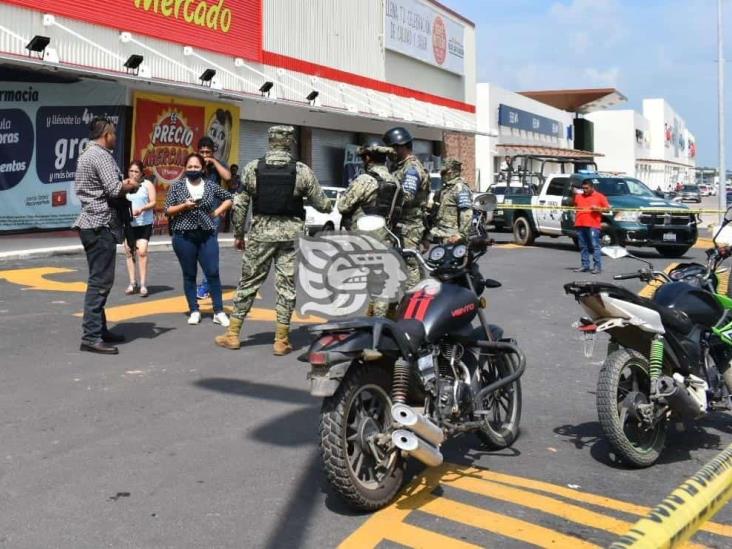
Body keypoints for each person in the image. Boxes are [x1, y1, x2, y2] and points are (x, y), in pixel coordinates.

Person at [215, 125, 331, 354]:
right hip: (291, 236)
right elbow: (323, 204)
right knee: (286, 285)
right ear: (289, 142)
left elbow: (239, 206)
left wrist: (238, 234)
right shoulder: (301, 171)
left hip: (260, 235)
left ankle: (233, 334)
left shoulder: (252, 168)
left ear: (270, 141)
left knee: (249, 282)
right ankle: (281, 340)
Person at [73, 117, 140, 355]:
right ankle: (91, 336)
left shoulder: (86, 154)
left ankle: (99, 330)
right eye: (113, 133)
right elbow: (113, 188)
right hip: (100, 224)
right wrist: (130, 185)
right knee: (100, 282)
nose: (115, 137)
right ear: (106, 134)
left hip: (91, 222)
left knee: (97, 278)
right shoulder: (100, 155)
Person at [165, 152, 233, 325]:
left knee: (213, 272)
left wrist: (216, 212)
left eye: (196, 167)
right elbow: (168, 210)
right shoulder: (177, 186)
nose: (193, 169)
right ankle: (194, 310)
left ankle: (218, 311)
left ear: (202, 169)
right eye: (190, 167)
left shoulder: (210, 185)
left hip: (207, 235)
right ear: (185, 169)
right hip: (184, 236)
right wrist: (184, 206)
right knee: (189, 274)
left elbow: (229, 198)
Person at [338, 141, 402, 317]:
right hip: (387, 236)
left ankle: (378, 328)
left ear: (368, 158)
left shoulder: (365, 180)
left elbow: (343, 206)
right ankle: (388, 318)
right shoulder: (395, 181)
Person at [383, 126, 431, 289]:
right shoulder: (398, 166)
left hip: (409, 226)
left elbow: (407, 195)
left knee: (410, 265)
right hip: (399, 225)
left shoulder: (411, 168)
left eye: (393, 148)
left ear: (401, 146)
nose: (391, 152)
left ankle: (415, 303)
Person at [196, 136, 231, 299]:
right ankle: (209, 282)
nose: (204, 155)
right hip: (195, 214)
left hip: (213, 214)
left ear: (213, 152)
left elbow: (228, 177)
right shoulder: (196, 164)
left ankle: (206, 284)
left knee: (209, 250)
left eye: (207, 152)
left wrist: (213, 162)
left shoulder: (218, 165)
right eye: (202, 152)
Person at [123, 161, 156, 297]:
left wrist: (142, 209)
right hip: (129, 223)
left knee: (142, 251)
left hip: (144, 223)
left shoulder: (147, 184)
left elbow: (153, 202)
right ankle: (132, 283)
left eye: (136, 171)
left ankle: (143, 284)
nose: (133, 174)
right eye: (131, 171)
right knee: (129, 252)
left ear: (142, 173)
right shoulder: (124, 184)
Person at [428, 158, 473, 244]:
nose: (442, 175)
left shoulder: (460, 188)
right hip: (439, 234)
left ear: (452, 172)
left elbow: (466, 213)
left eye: (444, 173)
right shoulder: (445, 189)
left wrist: (461, 235)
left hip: (453, 237)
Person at [574, 179, 609, 275]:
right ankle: (585, 265)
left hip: (593, 225)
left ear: (592, 187)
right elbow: (575, 207)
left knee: (594, 246)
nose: (584, 190)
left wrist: (598, 209)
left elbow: (608, 209)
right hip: (580, 224)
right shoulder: (578, 196)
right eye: (583, 188)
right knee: (582, 246)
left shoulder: (600, 196)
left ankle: (597, 267)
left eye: (587, 188)